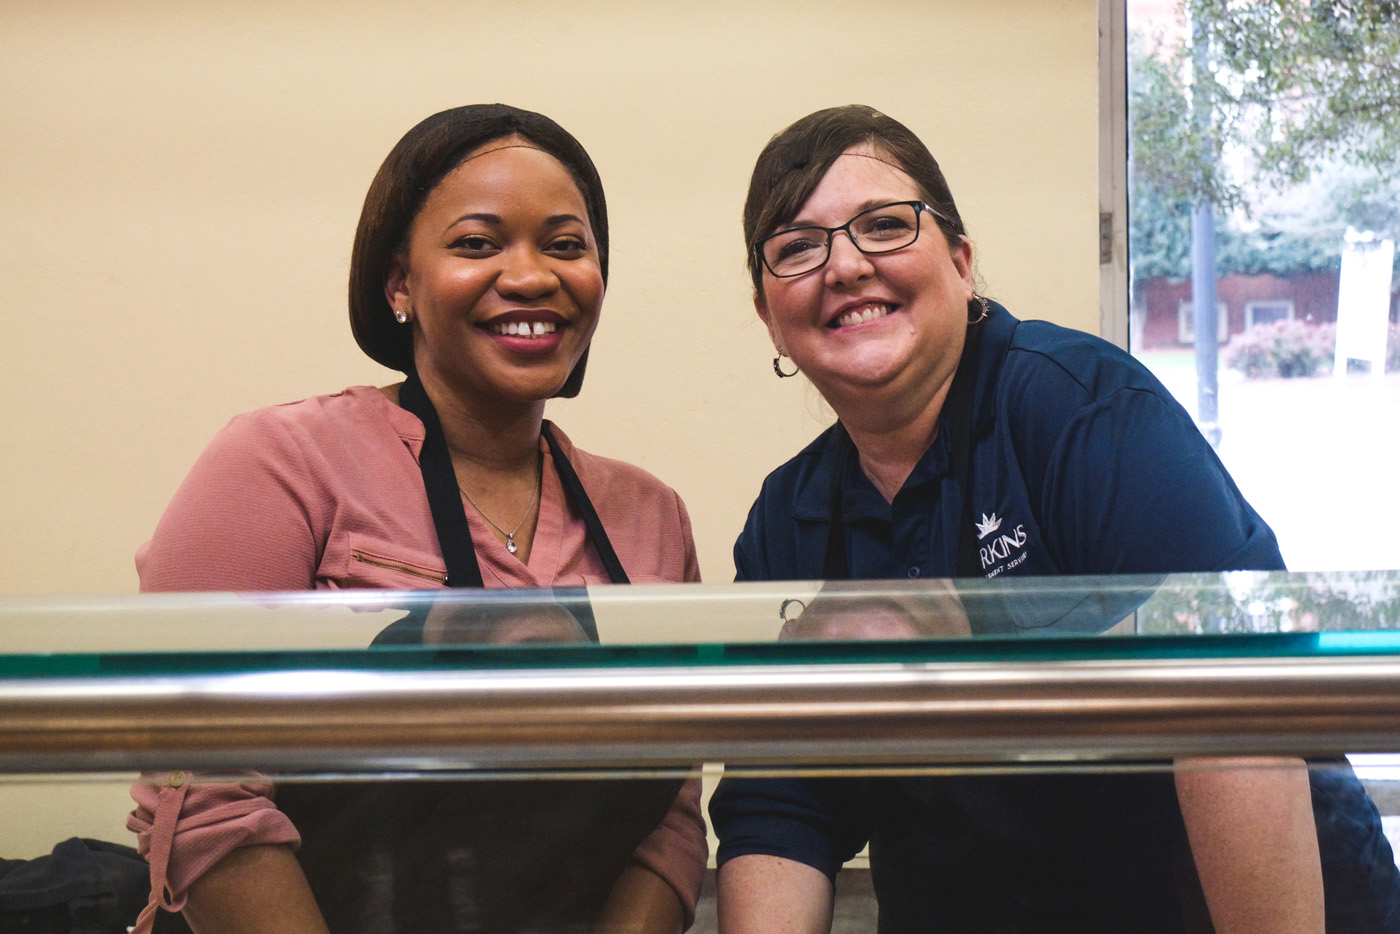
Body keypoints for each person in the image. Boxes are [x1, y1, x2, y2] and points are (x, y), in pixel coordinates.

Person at [710, 105, 1400, 933]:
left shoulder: (1085, 413)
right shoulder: (788, 519)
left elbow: (1227, 703)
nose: (847, 265)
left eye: (885, 226)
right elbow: (784, 804)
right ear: (768, 315)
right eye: (797, 248)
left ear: (961, 262)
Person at [128, 104, 706, 934]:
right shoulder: (283, 463)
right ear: (400, 283)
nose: (531, 275)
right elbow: (204, 800)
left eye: (565, 244)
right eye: (477, 243)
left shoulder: (651, 516)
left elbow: (672, 823)